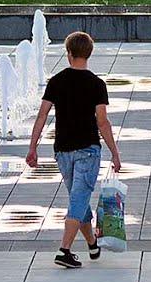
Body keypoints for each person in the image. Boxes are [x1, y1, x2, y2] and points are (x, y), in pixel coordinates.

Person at [25, 31, 121, 269]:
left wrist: (32, 147)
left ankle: (92, 245)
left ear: (69, 53)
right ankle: (64, 250)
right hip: (88, 150)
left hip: (63, 151)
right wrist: (115, 153)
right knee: (78, 200)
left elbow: (42, 116)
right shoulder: (97, 84)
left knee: (79, 199)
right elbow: (102, 122)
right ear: (88, 53)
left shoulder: (56, 81)